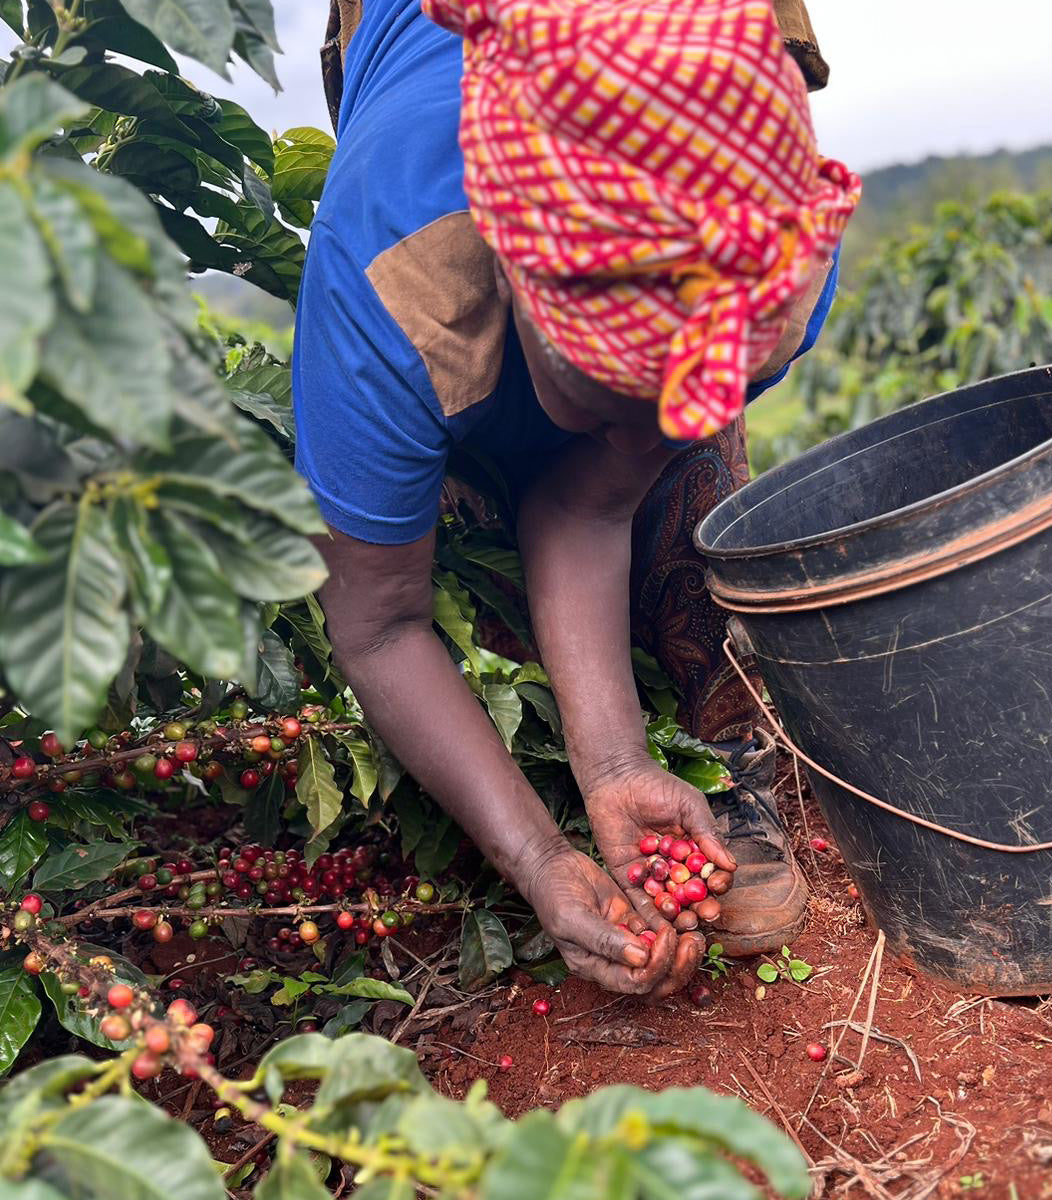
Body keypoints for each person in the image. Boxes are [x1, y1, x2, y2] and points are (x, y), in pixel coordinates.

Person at [298, 0, 860, 997]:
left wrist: (612, 766)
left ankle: (716, 734)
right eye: (598, 399)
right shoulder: (387, 287)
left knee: (677, 476)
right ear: (510, 275)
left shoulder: (778, 252)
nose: (621, 439)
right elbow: (378, 626)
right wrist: (536, 855)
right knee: (470, 490)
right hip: (420, 193)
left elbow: (589, 504)